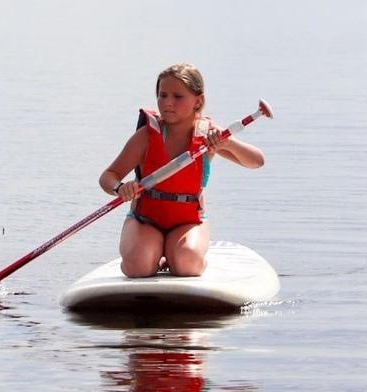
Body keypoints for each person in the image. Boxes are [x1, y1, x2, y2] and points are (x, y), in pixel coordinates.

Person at [98, 64, 266, 279]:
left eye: (178, 96)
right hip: (145, 220)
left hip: (188, 222)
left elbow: (257, 161)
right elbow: (108, 176)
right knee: (138, 267)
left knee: (187, 265)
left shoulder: (209, 136)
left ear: (198, 101)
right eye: (162, 95)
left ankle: (180, 255)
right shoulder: (146, 136)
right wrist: (120, 188)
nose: (167, 102)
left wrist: (228, 143)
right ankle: (152, 256)